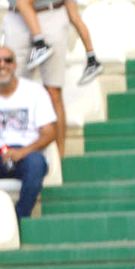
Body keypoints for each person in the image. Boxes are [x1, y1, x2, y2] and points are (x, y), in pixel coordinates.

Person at [5, 0, 100, 157]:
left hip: (51, 13)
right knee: (10, 89)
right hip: (17, 17)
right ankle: (13, 155)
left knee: (53, 91)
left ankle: (59, 158)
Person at [0, 43, 53, 218]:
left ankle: (19, 218)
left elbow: (49, 132)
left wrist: (22, 152)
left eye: (7, 60)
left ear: (15, 65)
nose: (2, 65)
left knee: (37, 164)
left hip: (27, 153)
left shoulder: (34, 92)